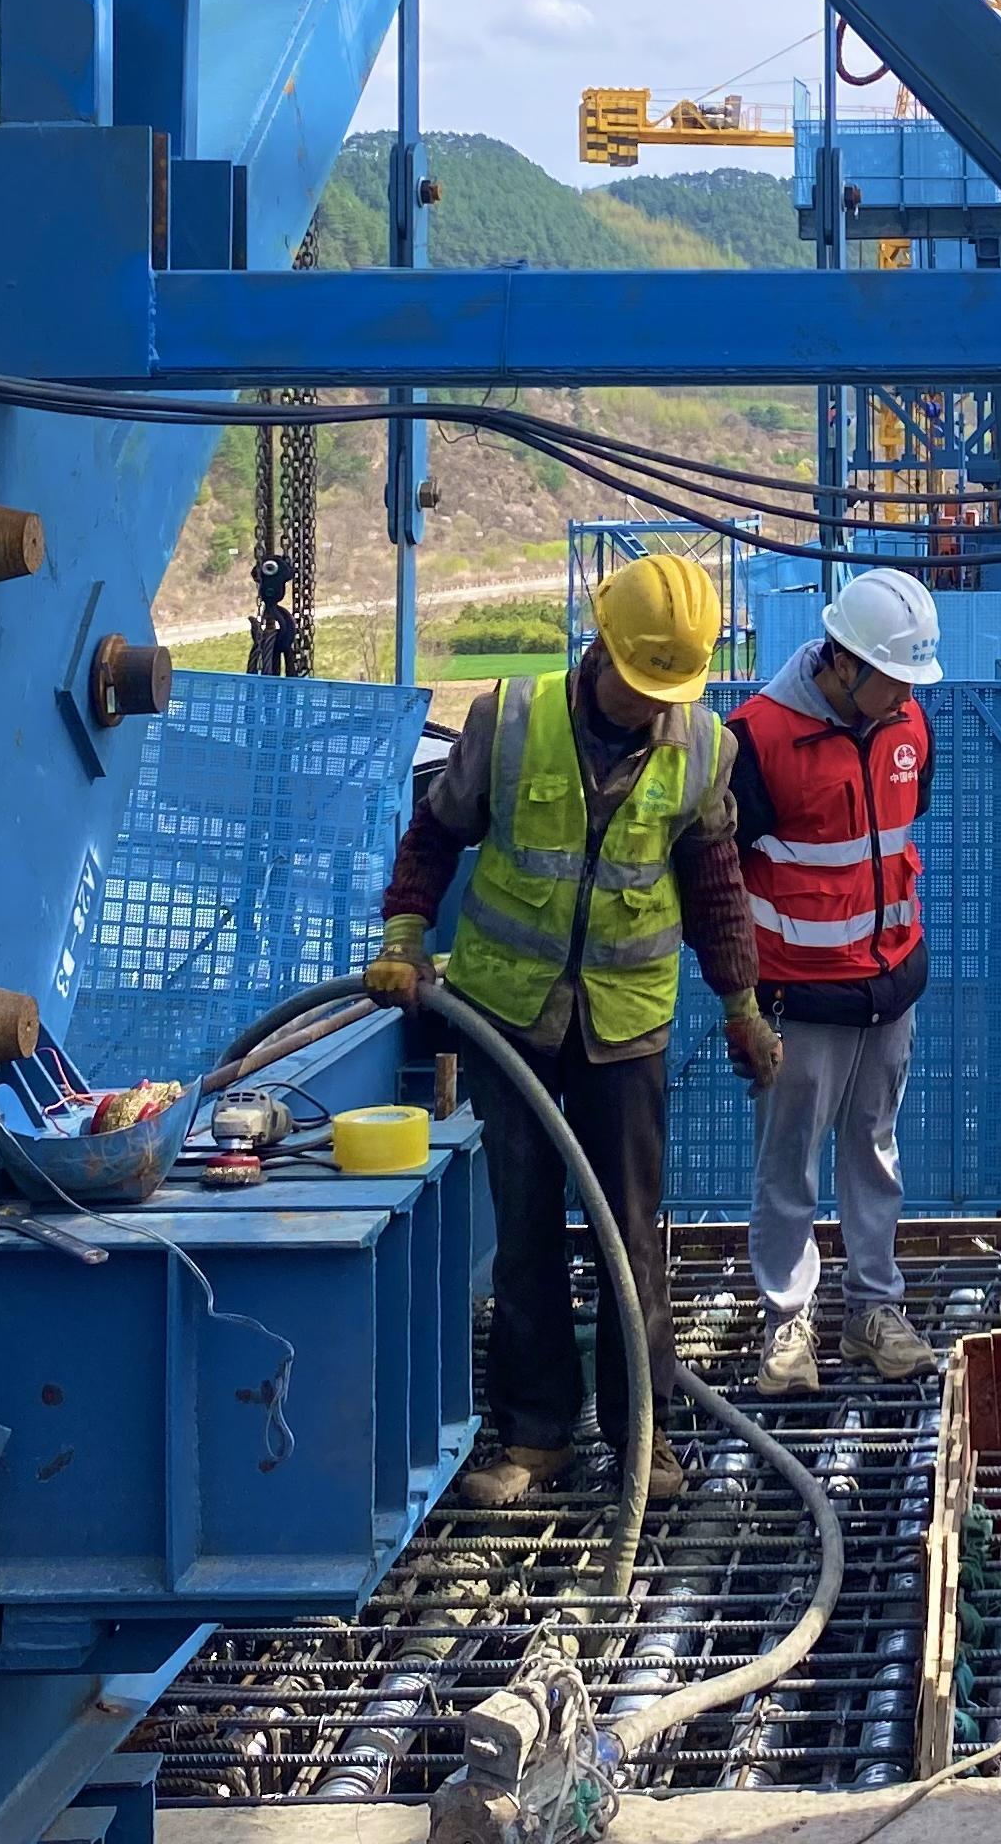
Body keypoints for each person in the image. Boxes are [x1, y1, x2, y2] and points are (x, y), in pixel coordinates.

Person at [368, 552, 783, 1509]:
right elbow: (435, 833)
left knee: (631, 1237)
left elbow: (716, 887)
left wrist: (742, 1007)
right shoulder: (512, 721)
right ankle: (537, 1437)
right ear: (600, 649)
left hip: (624, 1027)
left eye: (666, 690)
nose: (651, 706)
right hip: (509, 1017)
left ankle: (645, 1442)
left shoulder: (702, 747)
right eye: (639, 685)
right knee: (523, 1232)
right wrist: (404, 935)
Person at [733, 564, 944, 1395]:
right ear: (843, 663)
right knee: (788, 1163)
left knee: (875, 1151)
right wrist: (742, 1001)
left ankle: (873, 1311)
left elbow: (900, 824)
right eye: (892, 678)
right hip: (799, 997)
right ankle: (788, 1322)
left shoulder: (907, 723)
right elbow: (716, 873)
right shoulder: (758, 739)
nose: (906, 696)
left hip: (888, 990)